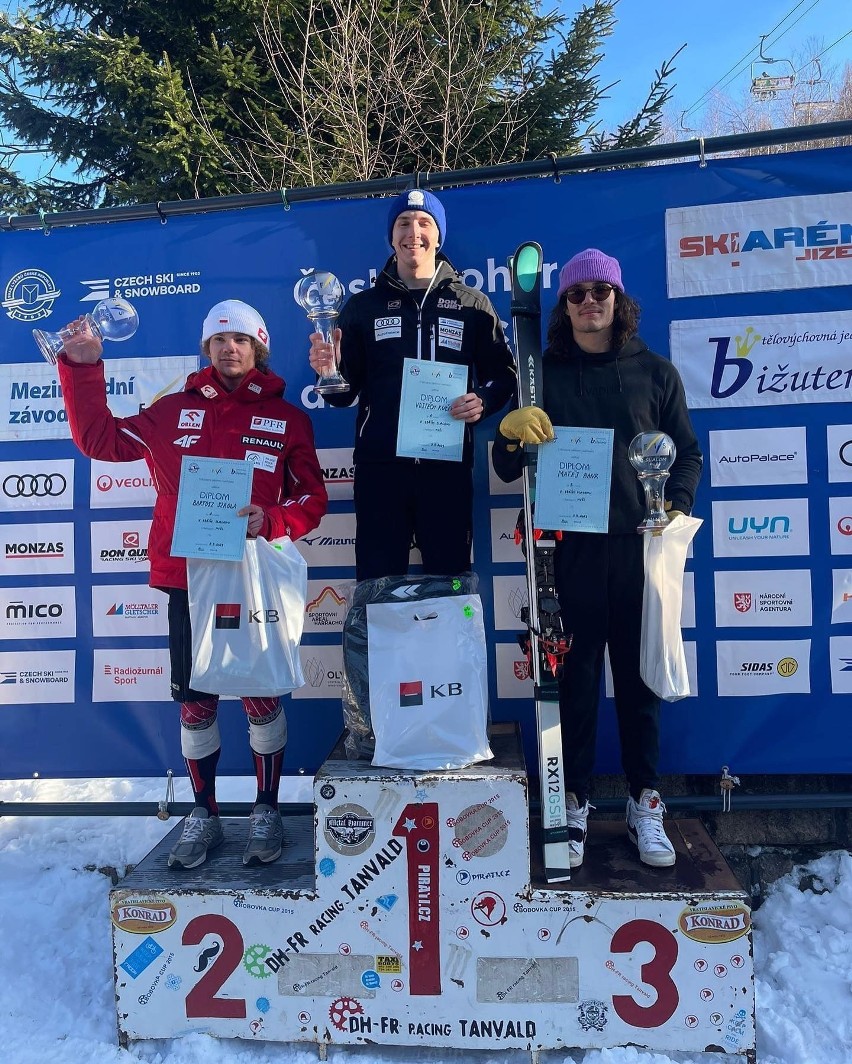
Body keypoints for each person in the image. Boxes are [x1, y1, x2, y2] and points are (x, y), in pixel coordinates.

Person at [57, 300, 328, 870]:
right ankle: (203, 812)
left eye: (241, 340)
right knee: (195, 700)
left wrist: (273, 521)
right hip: (186, 580)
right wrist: (83, 368)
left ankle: (267, 807)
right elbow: (100, 440)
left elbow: (312, 498)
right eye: (219, 340)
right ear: (206, 349)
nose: (230, 348)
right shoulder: (169, 410)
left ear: (258, 349)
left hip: (252, 577)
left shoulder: (287, 418)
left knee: (260, 695)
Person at [492, 249, 702, 869]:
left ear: (619, 301)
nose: (589, 303)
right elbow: (510, 468)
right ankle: (574, 800)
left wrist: (677, 504)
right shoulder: (543, 376)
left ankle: (645, 801)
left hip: (640, 547)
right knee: (576, 682)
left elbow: (685, 452)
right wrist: (509, 431)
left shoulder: (655, 372)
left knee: (640, 682)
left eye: (600, 293)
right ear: (564, 306)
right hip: (569, 551)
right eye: (578, 294)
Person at [309, 188, 516, 581]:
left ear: (438, 236)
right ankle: (380, 646)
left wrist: (483, 401)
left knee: (450, 580)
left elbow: (504, 374)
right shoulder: (362, 307)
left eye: (424, 223)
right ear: (391, 236)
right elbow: (344, 394)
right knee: (378, 583)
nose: (413, 232)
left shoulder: (472, 303)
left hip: (446, 469)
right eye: (403, 223)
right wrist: (328, 371)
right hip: (380, 471)